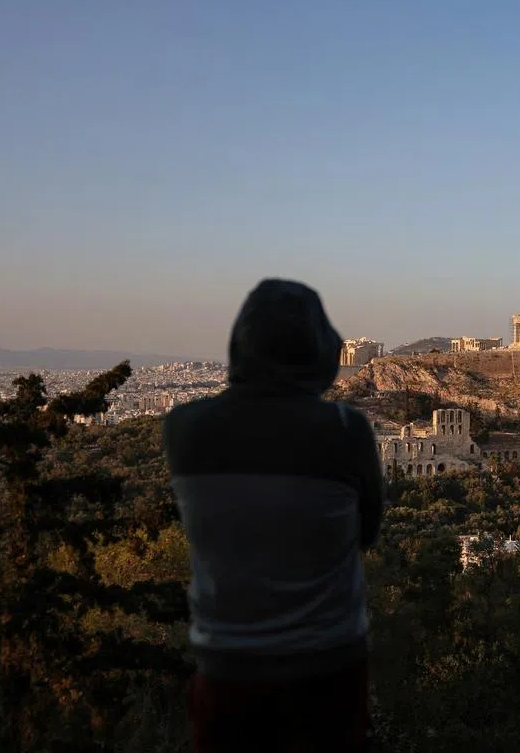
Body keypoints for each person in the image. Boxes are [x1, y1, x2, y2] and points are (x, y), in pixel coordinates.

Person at [164, 278, 383, 752]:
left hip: (226, 666)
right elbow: (368, 532)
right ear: (322, 349)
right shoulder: (347, 430)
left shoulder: (183, 429)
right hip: (328, 666)